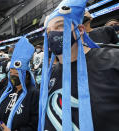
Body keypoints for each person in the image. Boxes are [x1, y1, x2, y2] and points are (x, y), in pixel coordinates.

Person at [39, 0, 119, 131]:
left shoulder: (114, 60)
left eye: (60, 26)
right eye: (48, 32)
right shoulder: (50, 75)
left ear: (80, 29)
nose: (52, 34)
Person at [0, 37, 39, 131]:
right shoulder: (6, 90)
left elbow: (35, 123)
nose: (13, 76)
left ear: (26, 75)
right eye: (11, 72)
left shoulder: (34, 94)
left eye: (17, 73)